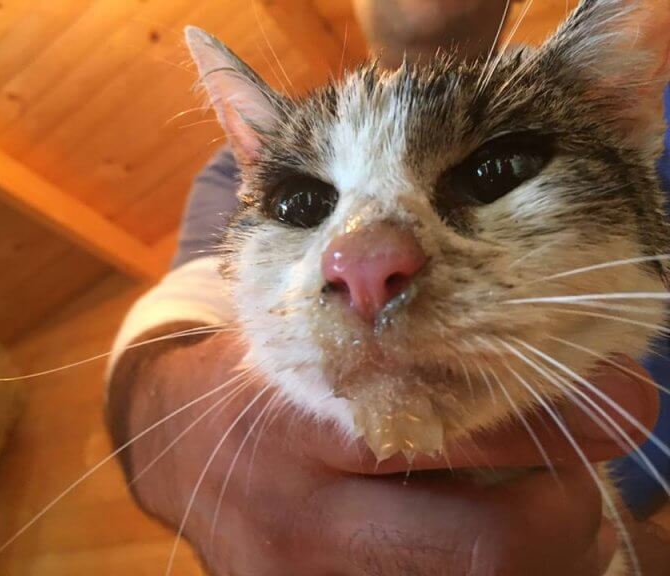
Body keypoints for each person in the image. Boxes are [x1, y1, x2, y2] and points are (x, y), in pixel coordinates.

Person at [106, 1, 670, 574]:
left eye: (494, 170)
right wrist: (182, 430)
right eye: (302, 204)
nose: (361, 266)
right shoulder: (236, 166)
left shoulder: (583, 89)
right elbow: (170, 314)